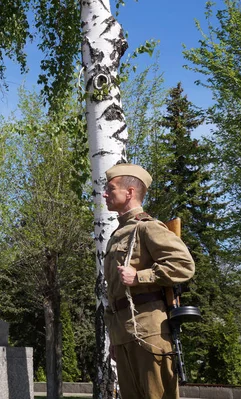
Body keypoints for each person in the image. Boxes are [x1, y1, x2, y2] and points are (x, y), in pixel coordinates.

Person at [103, 163, 195, 399]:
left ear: (130, 192)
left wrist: (140, 276)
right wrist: (115, 338)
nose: (104, 194)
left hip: (149, 332)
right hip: (124, 333)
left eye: (110, 189)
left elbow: (184, 265)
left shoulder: (148, 227)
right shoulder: (118, 234)